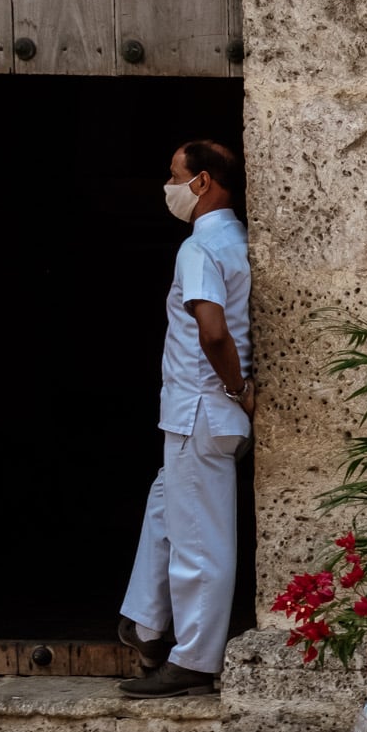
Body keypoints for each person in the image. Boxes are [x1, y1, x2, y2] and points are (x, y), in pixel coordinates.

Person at [116, 140, 255, 699]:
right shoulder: (238, 240)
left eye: (174, 174)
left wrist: (237, 388)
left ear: (201, 182)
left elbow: (213, 331)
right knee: (165, 510)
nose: (168, 185)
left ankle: (195, 657)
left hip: (201, 407)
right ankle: (145, 624)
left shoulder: (198, 248)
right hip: (200, 414)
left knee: (199, 539)